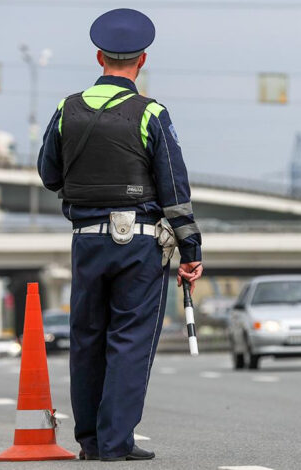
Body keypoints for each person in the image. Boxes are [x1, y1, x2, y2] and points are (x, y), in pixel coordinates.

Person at [37, 8, 203, 462]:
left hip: (86, 240)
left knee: (87, 337)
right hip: (140, 245)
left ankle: (90, 443)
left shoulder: (65, 109)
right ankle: (115, 443)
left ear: (99, 57)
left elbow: (49, 175)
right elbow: (174, 187)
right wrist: (190, 249)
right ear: (142, 61)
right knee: (129, 340)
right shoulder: (151, 113)